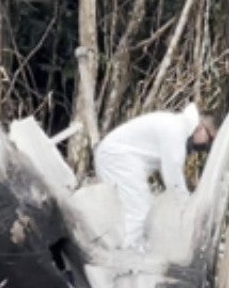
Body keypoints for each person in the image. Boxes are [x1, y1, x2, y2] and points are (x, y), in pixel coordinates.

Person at [93, 104, 217, 248]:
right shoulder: (176, 132)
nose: (207, 146)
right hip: (117, 157)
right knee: (140, 212)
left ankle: (126, 252)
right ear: (200, 127)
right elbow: (174, 182)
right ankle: (124, 257)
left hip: (116, 157)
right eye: (210, 139)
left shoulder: (176, 126)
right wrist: (190, 212)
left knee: (133, 211)